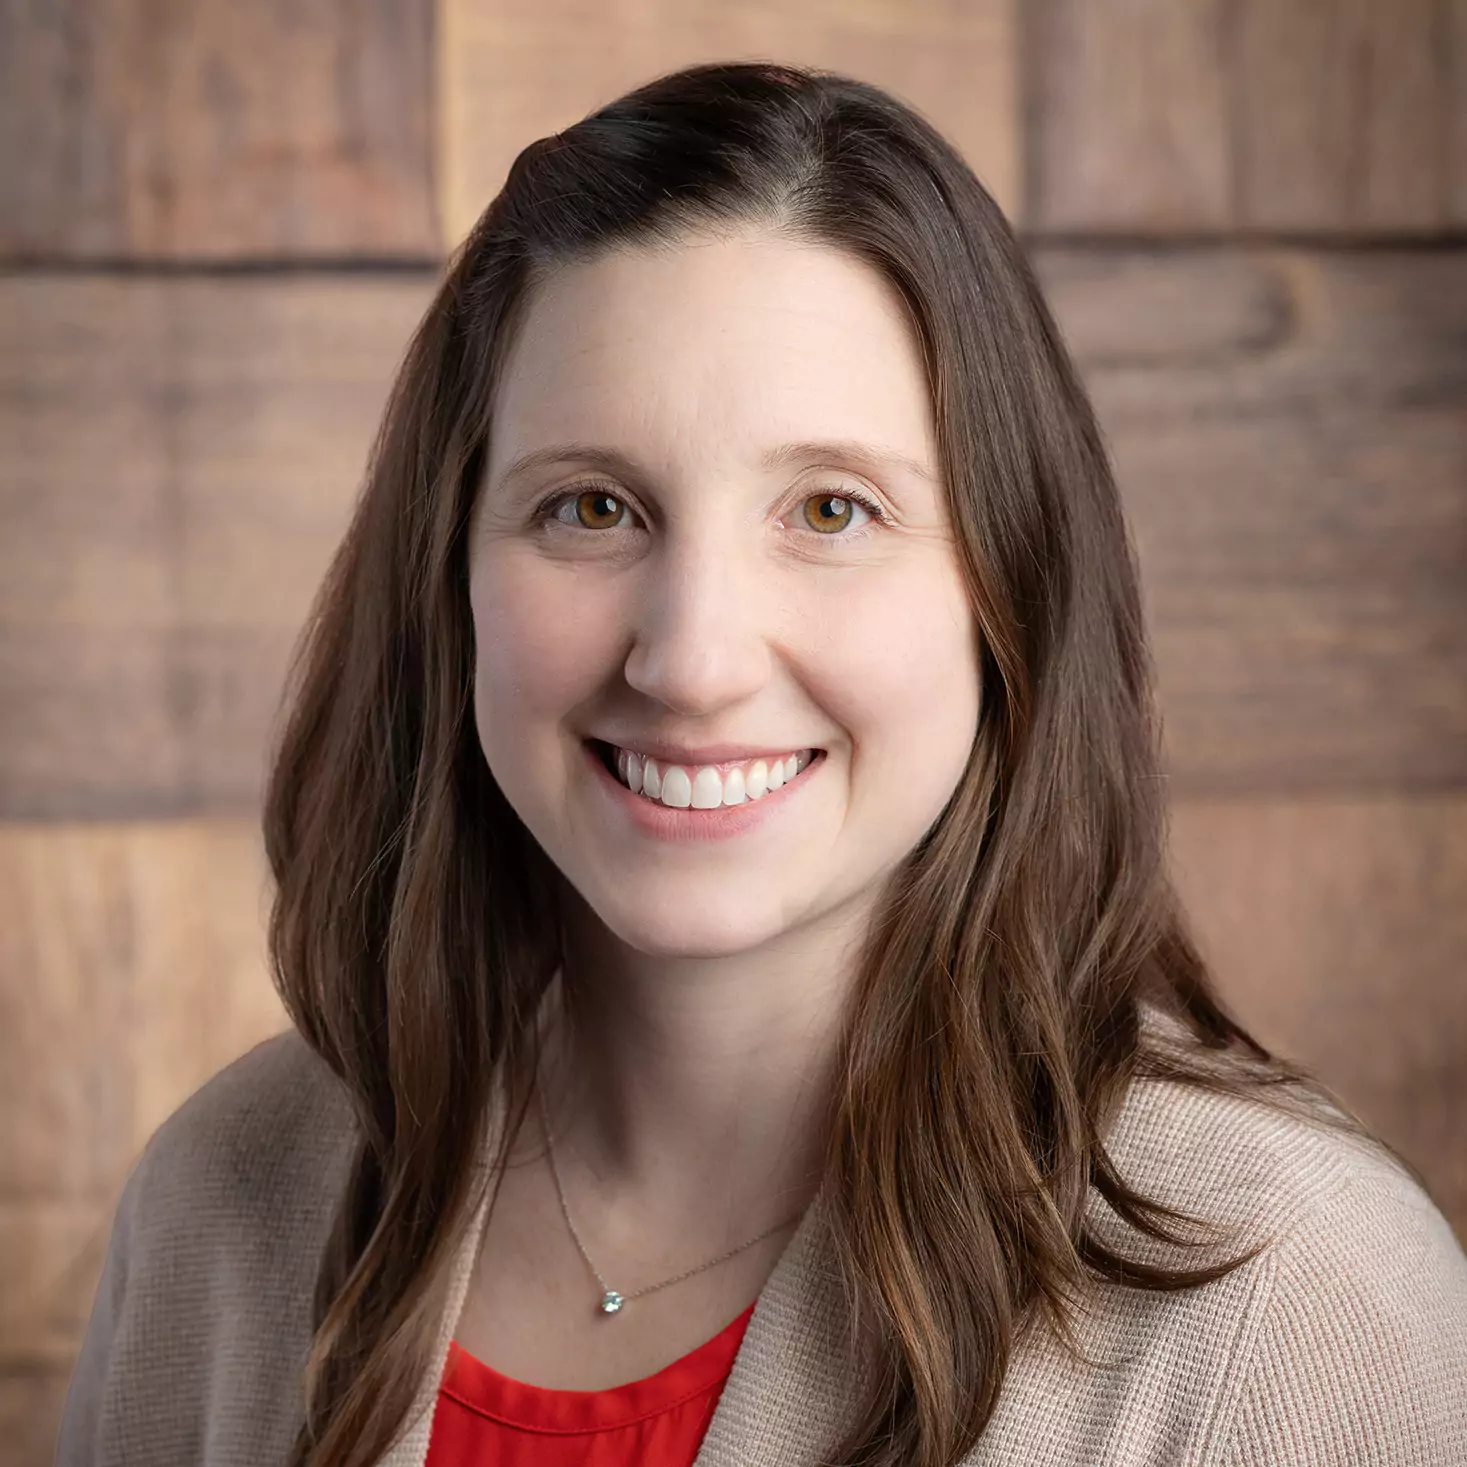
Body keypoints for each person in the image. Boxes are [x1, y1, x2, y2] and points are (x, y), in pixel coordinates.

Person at [56, 60, 1467, 1467]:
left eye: (831, 509)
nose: (692, 658)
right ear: (450, 579)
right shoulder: (219, 1206)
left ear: (1006, 592)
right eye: (591, 506)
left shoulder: (1293, 1301)